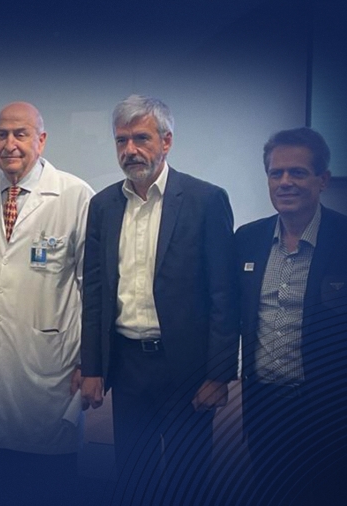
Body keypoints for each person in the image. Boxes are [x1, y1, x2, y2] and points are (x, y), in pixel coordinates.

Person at [79, 95, 239, 504]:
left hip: (186, 368)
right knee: (134, 477)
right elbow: (94, 292)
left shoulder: (205, 200)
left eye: (141, 138)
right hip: (127, 365)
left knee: (190, 481)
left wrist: (219, 375)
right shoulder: (103, 206)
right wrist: (92, 367)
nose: (130, 150)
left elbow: (224, 293)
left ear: (166, 142)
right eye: (121, 140)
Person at [0, 101, 94, 501]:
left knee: (48, 482)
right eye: (1, 134)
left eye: (21, 134)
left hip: (51, 362)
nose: (10, 144)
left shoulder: (74, 195)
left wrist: (90, 361)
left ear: (41, 139)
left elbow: (92, 287)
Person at [235, 127, 347, 505]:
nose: (285, 182)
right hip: (265, 408)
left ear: (322, 180)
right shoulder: (247, 239)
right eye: (276, 173)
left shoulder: (343, 239)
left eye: (297, 172)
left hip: (330, 413)